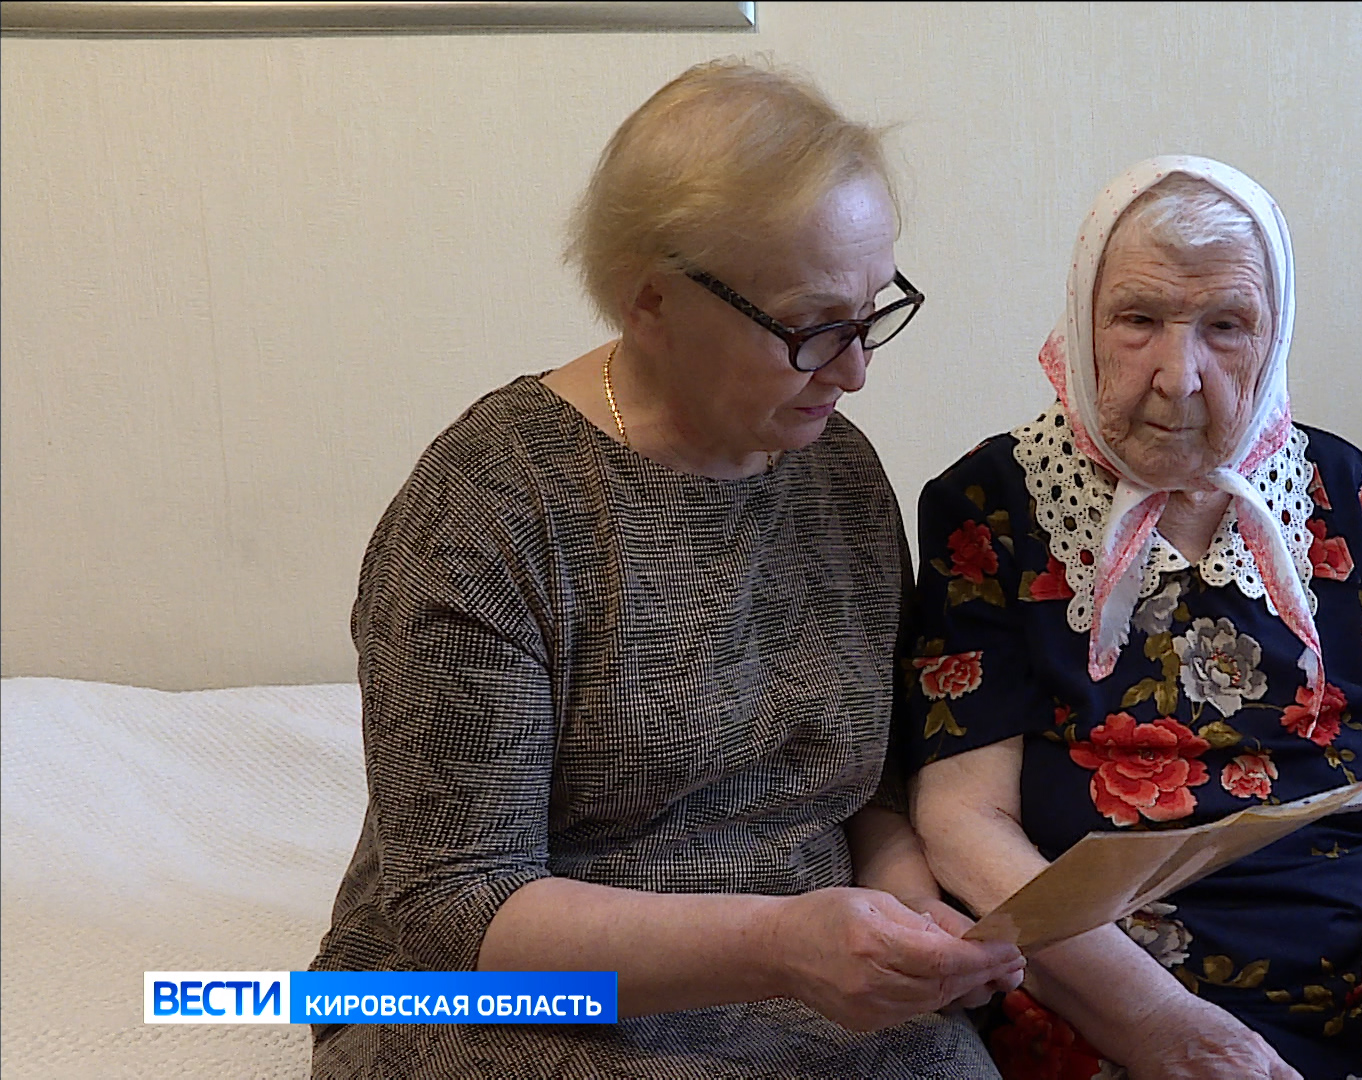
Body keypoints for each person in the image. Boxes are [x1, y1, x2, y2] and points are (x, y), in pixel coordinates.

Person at [309, 59, 1021, 1078]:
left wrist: (911, 912)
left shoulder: (837, 473)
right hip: (500, 993)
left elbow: (856, 788)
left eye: (872, 313)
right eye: (813, 327)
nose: (856, 369)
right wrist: (779, 945)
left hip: (796, 975)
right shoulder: (493, 505)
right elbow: (458, 910)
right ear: (651, 300)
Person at [904, 157, 1362, 1080]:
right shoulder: (992, 504)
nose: (1179, 376)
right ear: (1082, 320)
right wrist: (1151, 1019)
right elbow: (960, 817)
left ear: (1275, 332)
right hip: (1108, 963)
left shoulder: (1343, 487)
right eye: (1138, 319)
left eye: (1226, 326)